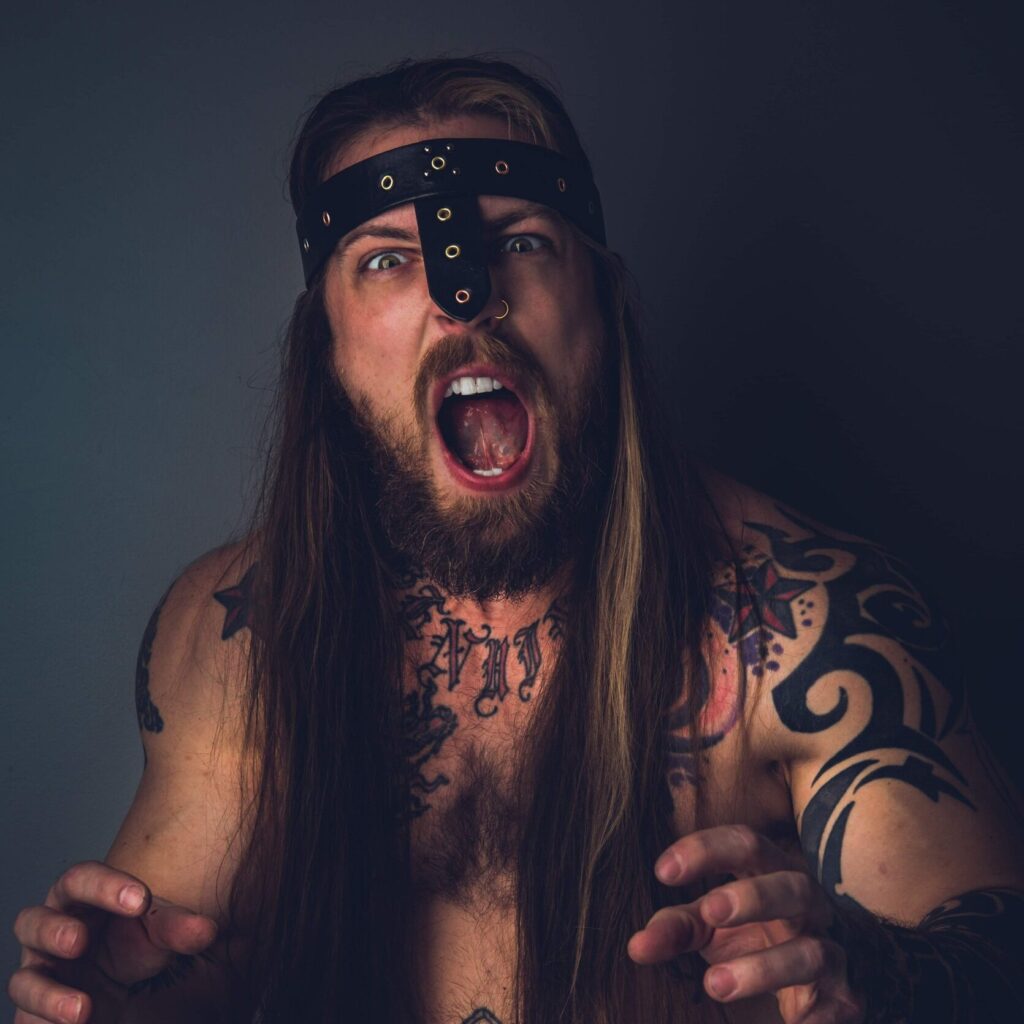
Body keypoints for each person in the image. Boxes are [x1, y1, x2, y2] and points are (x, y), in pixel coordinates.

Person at [9, 56, 1024, 1024]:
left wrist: (870, 974)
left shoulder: (799, 621)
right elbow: (192, 964)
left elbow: (996, 958)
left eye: (523, 240)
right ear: (326, 343)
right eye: (386, 260)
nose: (466, 298)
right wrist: (117, 1000)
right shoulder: (241, 635)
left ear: (603, 297)